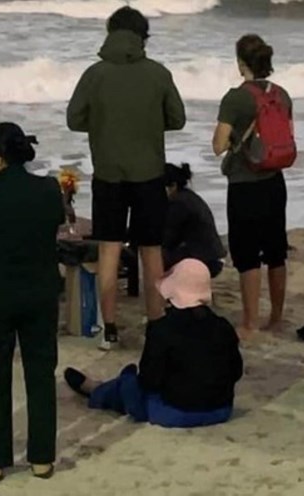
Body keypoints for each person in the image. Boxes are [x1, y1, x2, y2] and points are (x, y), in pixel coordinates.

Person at [67, 6, 186, 345]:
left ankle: (109, 329)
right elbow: (177, 119)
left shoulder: (95, 74)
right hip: (149, 173)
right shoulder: (158, 73)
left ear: (110, 33)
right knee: (151, 250)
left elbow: (74, 119)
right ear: (143, 37)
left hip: (108, 173)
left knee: (109, 249)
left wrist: (104, 123)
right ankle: (156, 323)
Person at [0, 123, 63, 482]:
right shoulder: (49, 189)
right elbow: (55, 225)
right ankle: (41, 458)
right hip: (40, 292)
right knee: (40, 374)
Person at [64, 259, 243, 428]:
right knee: (134, 381)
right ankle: (114, 382)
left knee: (129, 386)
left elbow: (149, 381)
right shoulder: (223, 326)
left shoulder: (162, 328)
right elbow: (236, 371)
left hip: (175, 412)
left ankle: (96, 390)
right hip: (220, 410)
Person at [212, 34, 291, 338]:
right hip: (275, 180)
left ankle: (250, 322)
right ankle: (277, 317)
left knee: (247, 254)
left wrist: (234, 139)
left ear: (241, 63)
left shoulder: (236, 98)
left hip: (244, 184)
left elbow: (218, 145)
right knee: (276, 251)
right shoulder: (282, 95)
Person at [163, 162, 226, 277]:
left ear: (173, 185)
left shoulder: (179, 203)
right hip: (212, 256)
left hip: (204, 258)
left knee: (156, 254)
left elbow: (168, 237)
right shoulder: (188, 197)